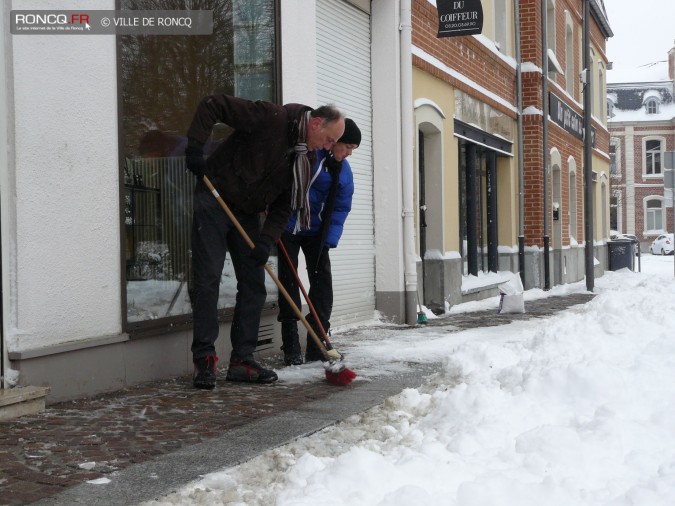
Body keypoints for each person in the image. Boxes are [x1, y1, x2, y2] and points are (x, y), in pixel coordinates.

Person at [184, 95, 345, 389]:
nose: (328, 147)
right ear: (316, 123)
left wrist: (266, 240)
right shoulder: (272, 118)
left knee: (254, 284)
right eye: (329, 139)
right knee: (208, 279)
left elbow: (285, 206)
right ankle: (204, 359)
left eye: (333, 143)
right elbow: (213, 105)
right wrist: (195, 145)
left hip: (246, 213)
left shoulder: (305, 159)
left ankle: (242, 360)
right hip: (214, 197)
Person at [277, 118, 361, 365]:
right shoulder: (310, 157)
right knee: (289, 282)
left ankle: (317, 341)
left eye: (351, 150)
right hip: (289, 227)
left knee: (322, 284)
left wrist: (329, 240)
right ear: (335, 142)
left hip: (317, 233)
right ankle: (290, 344)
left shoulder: (344, 172)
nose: (347, 154)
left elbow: (340, 209)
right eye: (346, 147)